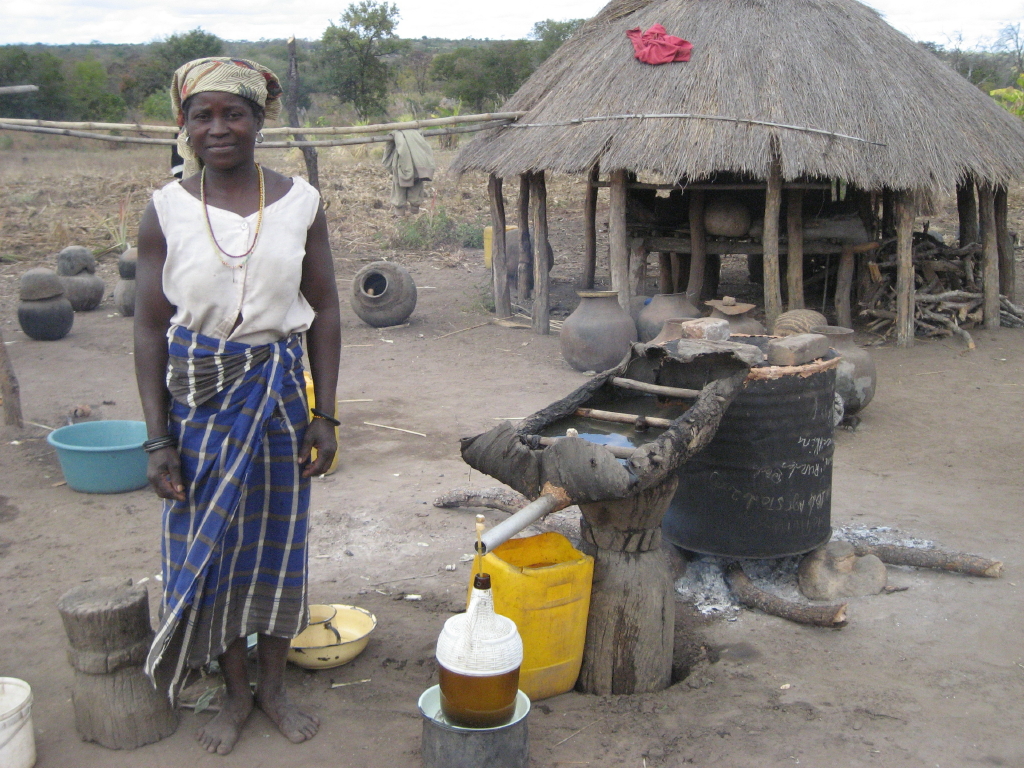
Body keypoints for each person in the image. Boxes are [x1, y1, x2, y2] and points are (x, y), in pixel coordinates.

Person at [133, 57, 341, 756]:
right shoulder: (164, 211)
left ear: (259, 121)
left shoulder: (300, 203)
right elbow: (145, 326)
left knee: (279, 548)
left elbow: (328, 309)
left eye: (235, 113)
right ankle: (235, 693)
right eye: (203, 115)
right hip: (197, 406)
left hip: (279, 398)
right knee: (214, 551)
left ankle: (275, 688)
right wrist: (157, 439)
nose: (219, 128)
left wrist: (326, 414)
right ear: (184, 127)